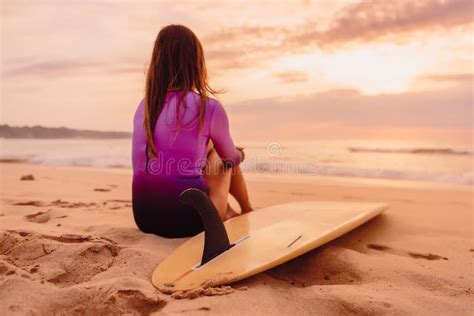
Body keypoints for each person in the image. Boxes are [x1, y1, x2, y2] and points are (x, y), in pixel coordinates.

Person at [131, 24, 253, 238]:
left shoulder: (145, 106)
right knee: (222, 157)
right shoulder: (209, 107)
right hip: (190, 222)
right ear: (196, 63)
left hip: (145, 218)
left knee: (205, 151)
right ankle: (247, 209)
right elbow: (231, 159)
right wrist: (239, 153)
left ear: (157, 63)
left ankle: (233, 211)